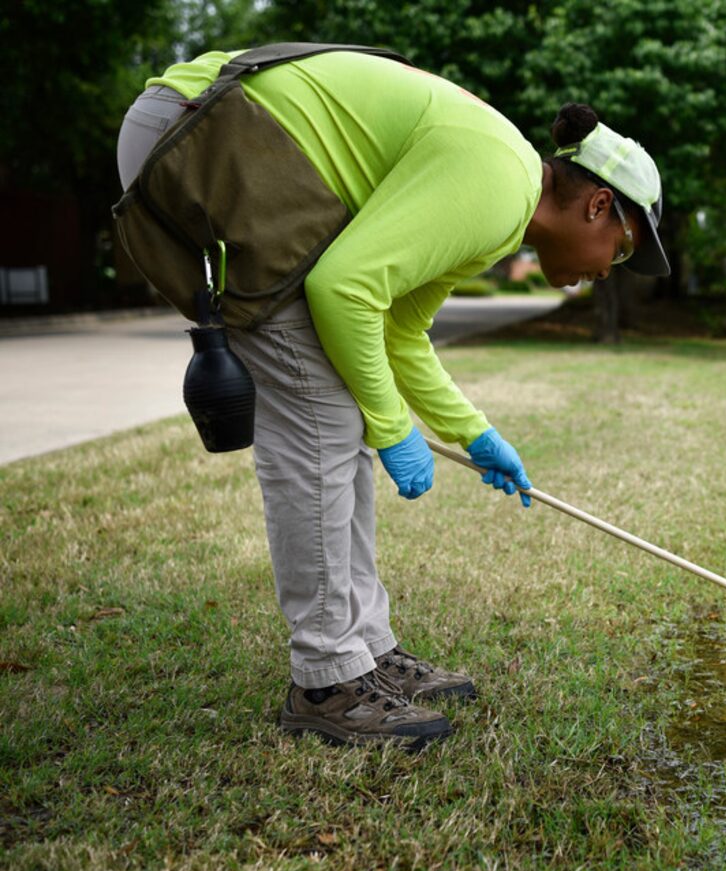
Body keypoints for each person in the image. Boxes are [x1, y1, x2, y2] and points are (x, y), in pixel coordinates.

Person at [116, 47, 670, 750]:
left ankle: (365, 653)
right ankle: (326, 680)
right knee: (324, 418)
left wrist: (472, 433)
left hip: (221, 129)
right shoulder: (498, 185)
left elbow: (400, 328)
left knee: (336, 414)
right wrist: (390, 426)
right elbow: (344, 288)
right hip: (205, 131)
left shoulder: (501, 205)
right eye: (618, 251)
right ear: (597, 204)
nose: (604, 272)